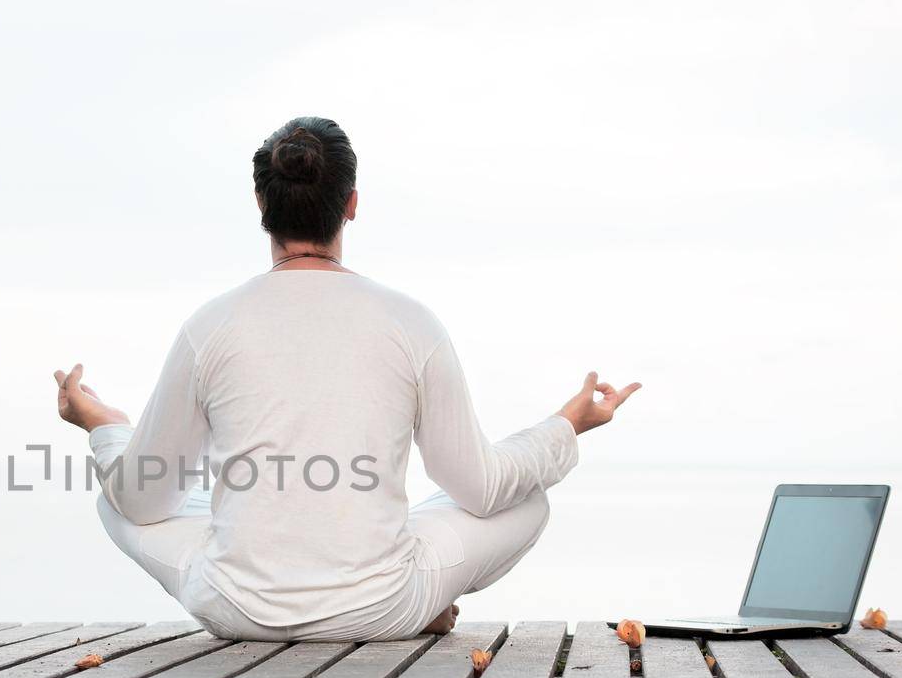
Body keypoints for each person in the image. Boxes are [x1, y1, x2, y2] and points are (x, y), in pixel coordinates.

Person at [53, 116, 639, 642]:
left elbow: (144, 497)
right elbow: (481, 487)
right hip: (381, 607)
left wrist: (106, 426)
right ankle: (424, 601)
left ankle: (394, 583)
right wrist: (568, 426)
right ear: (351, 203)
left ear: (261, 203)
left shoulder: (209, 326)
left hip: (239, 609)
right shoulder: (412, 322)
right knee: (526, 498)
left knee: (116, 494)